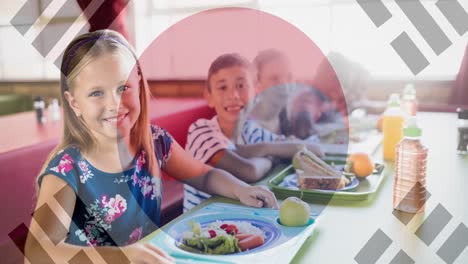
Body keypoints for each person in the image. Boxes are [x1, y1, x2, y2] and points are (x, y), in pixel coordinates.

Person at [24, 30, 278, 263]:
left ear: (139, 82)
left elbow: (205, 175)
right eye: (96, 93)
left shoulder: (155, 141)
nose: (114, 104)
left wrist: (241, 189)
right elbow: (37, 252)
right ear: (74, 102)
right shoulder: (68, 168)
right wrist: (123, 257)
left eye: (123, 88)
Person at [184, 53, 322, 212]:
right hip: (199, 225)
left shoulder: (251, 131)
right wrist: (273, 154)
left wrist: (264, 148)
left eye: (241, 86)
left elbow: (315, 149)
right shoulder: (200, 131)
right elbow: (248, 171)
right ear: (209, 97)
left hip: (241, 217)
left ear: (256, 92)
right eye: (223, 87)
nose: (234, 96)